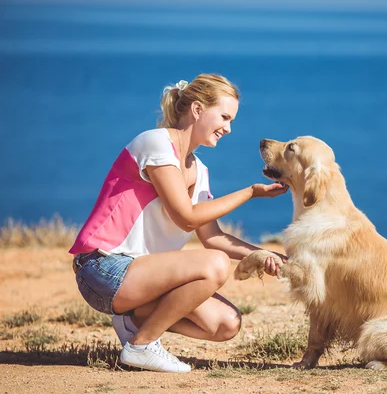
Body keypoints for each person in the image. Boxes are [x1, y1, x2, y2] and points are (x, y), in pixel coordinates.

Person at [69, 74, 288, 373]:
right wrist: (249, 193)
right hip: (102, 268)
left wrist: (269, 256)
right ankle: (142, 345)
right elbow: (185, 218)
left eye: (231, 120)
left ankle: (131, 321)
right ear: (197, 110)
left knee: (225, 324)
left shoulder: (199, 169)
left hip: (140, 276)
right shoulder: (156, 143)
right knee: (216, 265)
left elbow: (212, 237)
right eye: (224, 117)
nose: (228, 128)